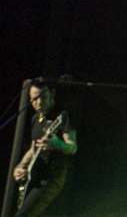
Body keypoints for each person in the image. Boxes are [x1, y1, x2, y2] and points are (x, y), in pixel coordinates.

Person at [12, 80, 77, 217]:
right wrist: (21, 167)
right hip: (35, 175)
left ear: (52, 94)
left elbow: (72, 147)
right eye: (34, 99)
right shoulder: (36, 118)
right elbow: (33, 149)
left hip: (52, 177)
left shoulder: (62, 116)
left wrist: (58, 144)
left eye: (43, 97)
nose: (39, 103)